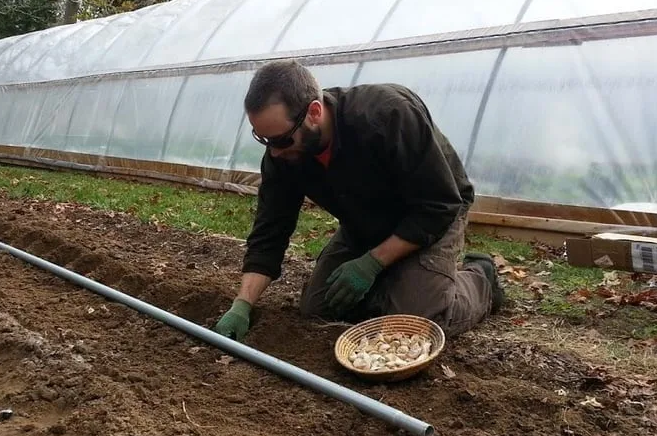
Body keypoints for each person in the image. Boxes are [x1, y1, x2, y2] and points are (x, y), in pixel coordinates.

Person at [213, 59, 504, 341]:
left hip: (431, 213)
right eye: (263, 140)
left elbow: (439, 205)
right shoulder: (283, 156)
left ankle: (481, 279)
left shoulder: (388, 115)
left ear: (314, 112)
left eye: (280, 140)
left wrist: (372, 263)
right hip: (365, 222)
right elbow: (270, 232)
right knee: (318, 308)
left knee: (415, 323)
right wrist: (242, 305)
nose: (274, 152)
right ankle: (402, 282)